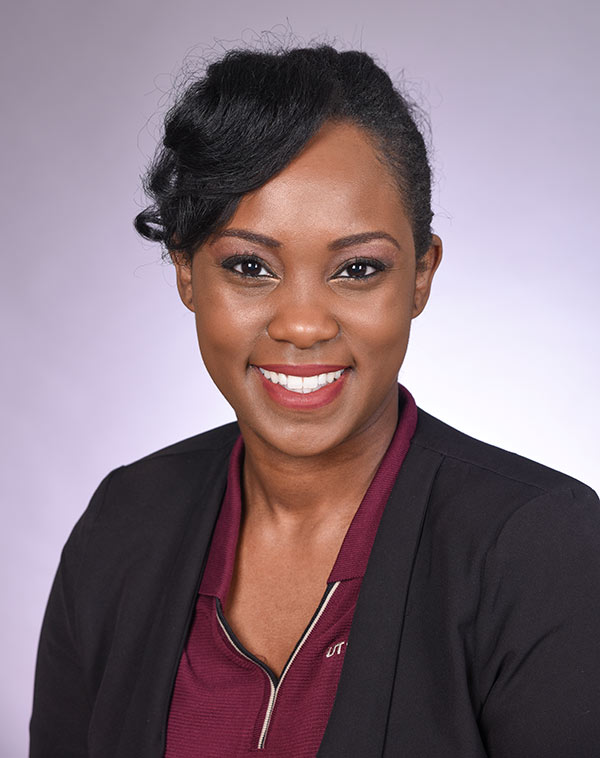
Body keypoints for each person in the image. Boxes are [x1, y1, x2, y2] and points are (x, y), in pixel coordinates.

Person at [30, 44, 600, 758]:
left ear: (421, 274)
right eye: (249, 266)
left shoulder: (540, 546)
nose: (303, 324)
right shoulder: (125, 523)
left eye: (357, 269)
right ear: (185, 272)